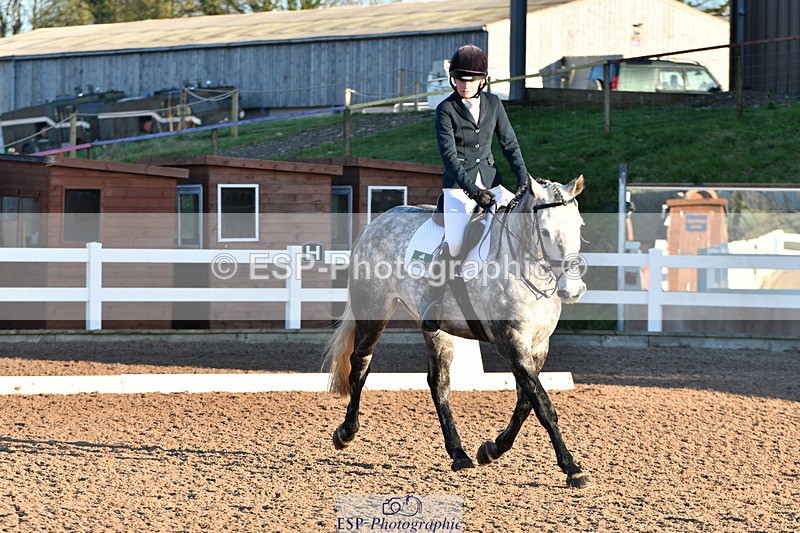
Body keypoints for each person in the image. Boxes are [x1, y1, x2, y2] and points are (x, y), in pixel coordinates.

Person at [419, 44, 531, 332]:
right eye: (459, 79)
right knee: (455, 243)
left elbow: (509, 143)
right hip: (459, 189)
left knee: (519, 227)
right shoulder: (445, 109)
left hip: (492, 182)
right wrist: (472, 190)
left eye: (470, 80)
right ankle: (433, 299)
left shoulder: (494, 104)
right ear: (452, 79)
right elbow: (450, 158)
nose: (464, 85)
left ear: (482, 80)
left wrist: (523, 177)